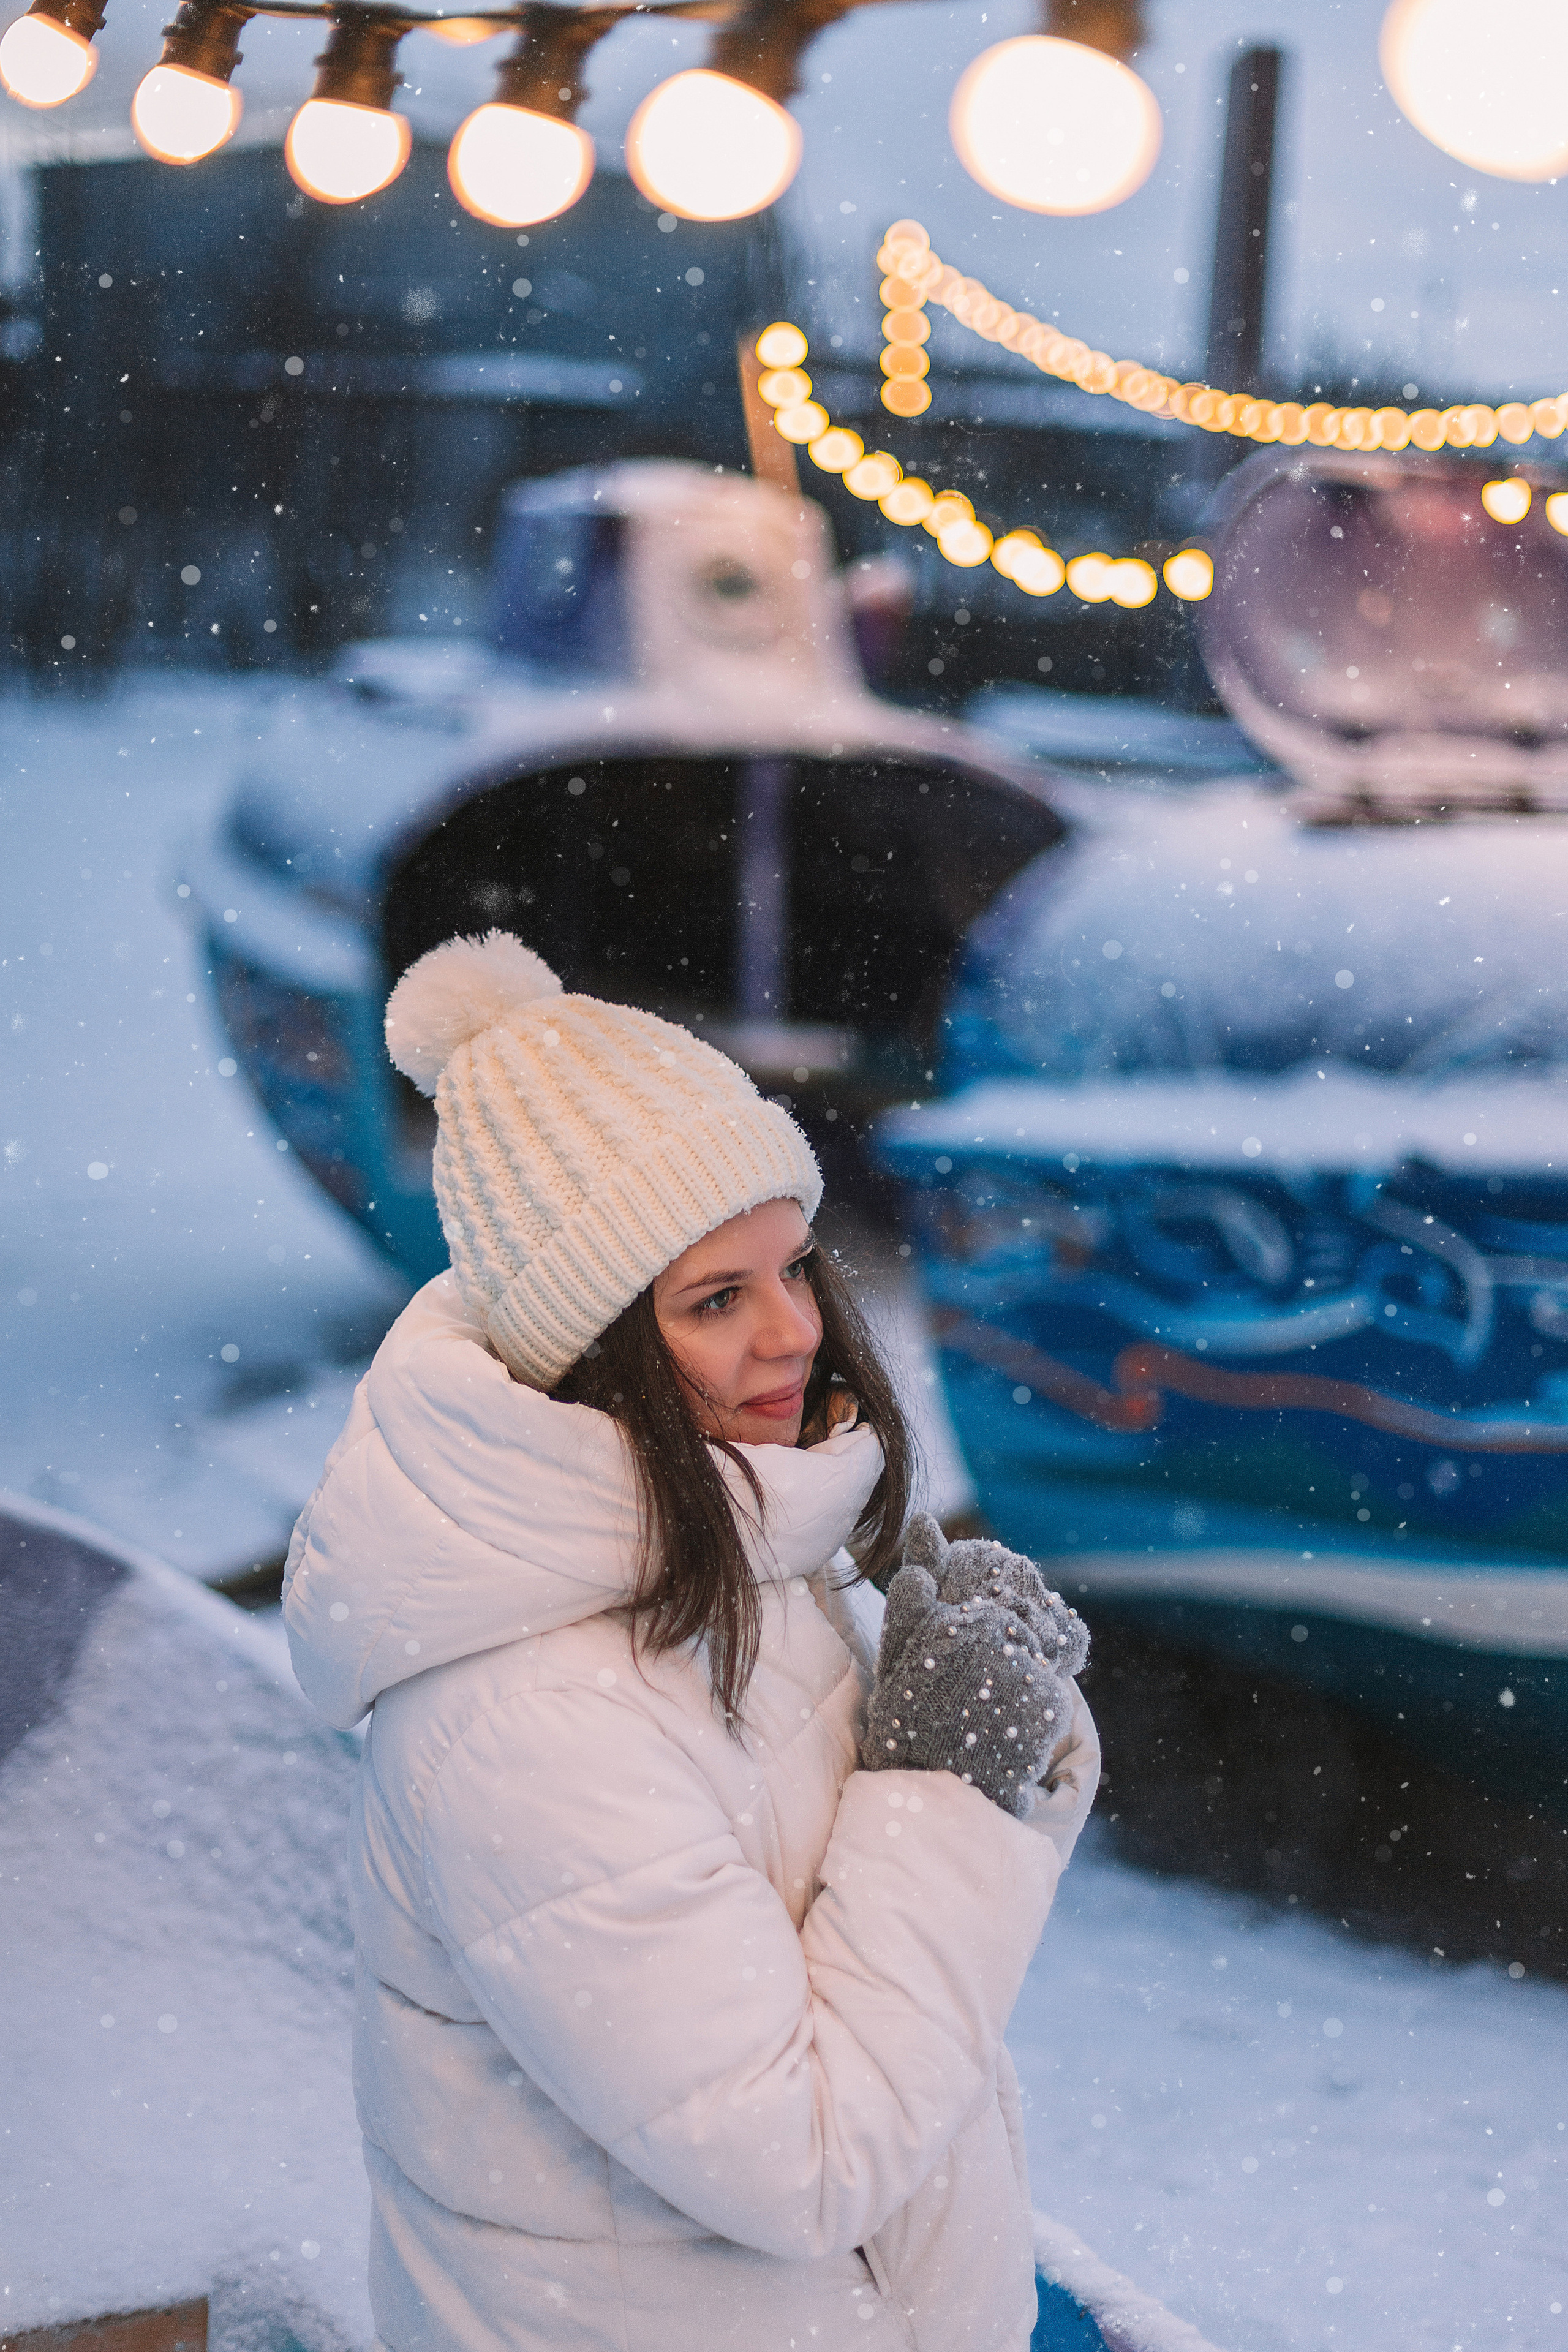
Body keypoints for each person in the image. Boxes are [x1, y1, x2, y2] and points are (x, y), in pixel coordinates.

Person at [284, 930, 1099, 2352]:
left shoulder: (733, 1537)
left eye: (794, 1267)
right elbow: (804, 2157)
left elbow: (876, 1975)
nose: (793, 1334)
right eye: (715, 1299)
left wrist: (1000, 1730)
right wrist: (949, 1787)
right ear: (590, 1348)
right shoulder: (529, 1718)